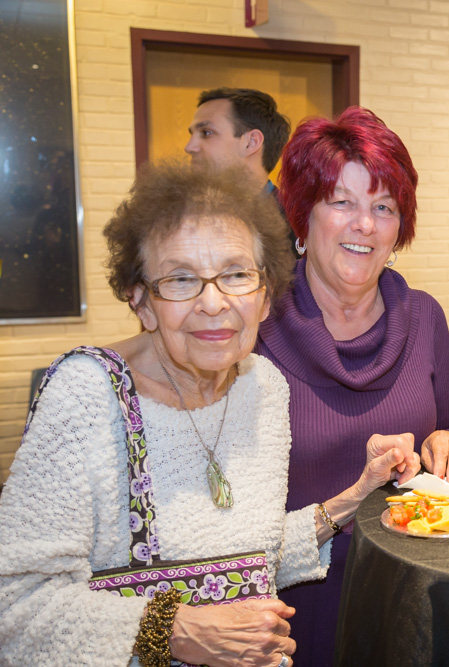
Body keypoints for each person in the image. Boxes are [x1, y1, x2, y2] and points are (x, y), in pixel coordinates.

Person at [0, 162, 420, 666]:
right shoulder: (89, 395)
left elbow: (249, 560)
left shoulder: (262, 386)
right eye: (181, 279)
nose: (214, 302)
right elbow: (15, 605)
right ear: (141, 301)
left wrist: (356, 495)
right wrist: (176, 631)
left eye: (236, 275)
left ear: (265, 295)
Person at [254, 106, 449, 662]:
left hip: (413, 595)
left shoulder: (424, 316)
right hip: (291, 608)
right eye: (342, 203)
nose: (365, 225)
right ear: (302, 216)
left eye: (383, 207)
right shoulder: (255, 325)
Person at [184, 87, 295, 247]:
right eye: (192, 134)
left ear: (251, 143)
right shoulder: (180, 221)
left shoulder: (300, 229)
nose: (189, 147)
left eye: (207, 133)